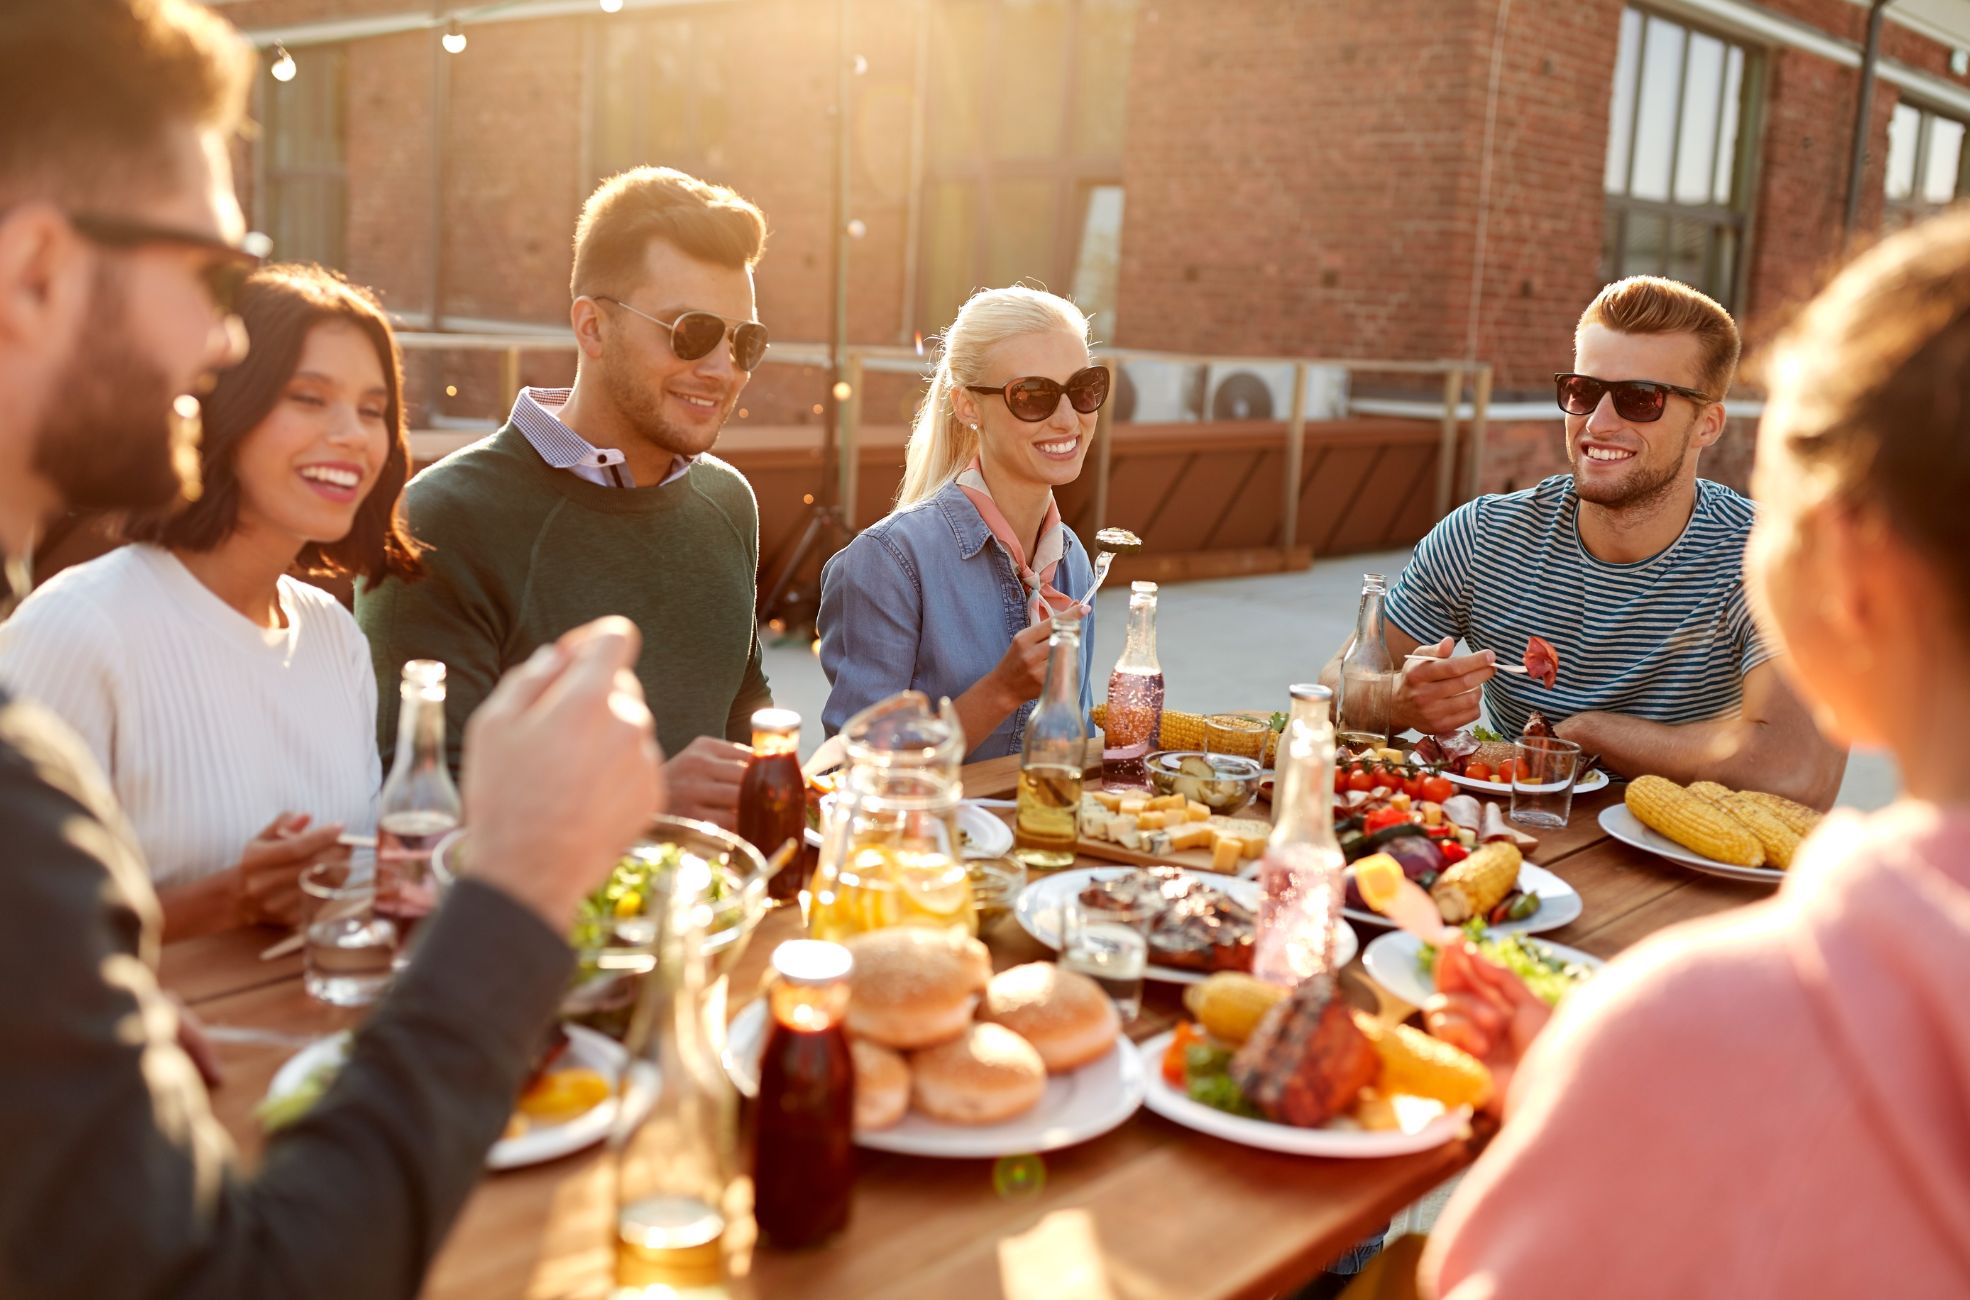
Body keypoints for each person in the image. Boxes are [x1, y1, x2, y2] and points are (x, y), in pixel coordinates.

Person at [0, 3, 662, 1295]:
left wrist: (94, 1028)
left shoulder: (327, 634)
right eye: (207, 271)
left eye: (368, 407)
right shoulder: (39, 712)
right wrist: (518, 891)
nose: (223, 337)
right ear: (33, 272)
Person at [1418, 212, 1970, 1297]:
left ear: (1845, 571)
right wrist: (1594, 1093)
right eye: (1583, 391)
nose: (1597, 419)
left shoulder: (1691, 1022)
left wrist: (1628, 1075)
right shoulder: (1490, 532)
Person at [0, 264, 421, 941]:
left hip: (312, 1038)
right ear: (227, 409)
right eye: (309, 398)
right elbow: (20, 946)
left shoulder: (335, 637)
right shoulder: (77, 629)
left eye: (373, 410)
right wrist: (227, 902)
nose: (353, 434)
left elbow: (357, 889)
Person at [1321, 276, 1844, 808]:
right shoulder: (1480, 538)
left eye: (1641, 399)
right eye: (1583, 391)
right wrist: (1396, 700)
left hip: (1688, 877)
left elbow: (1799, 772)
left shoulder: (1770, 558)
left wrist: (1592, 735)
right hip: (1514, 840)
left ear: (1708, 425)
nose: (1597, 422)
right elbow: (1333, 690)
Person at [356, 166, 771, 829]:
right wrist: (647, 802)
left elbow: (741, 709)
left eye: (744, 341)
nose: (723, 368)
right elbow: (421, 811)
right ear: (592, 327)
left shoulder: (729, 502)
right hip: (527, 930)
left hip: (705, 917)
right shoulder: (440, 519)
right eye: (690, 332)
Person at [817, 285, 1101, 760]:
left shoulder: (1073, 560)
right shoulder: (888, 561)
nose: (1068, 418)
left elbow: (1072, 748)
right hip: (937, 835)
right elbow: (854, 772)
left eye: (1083, 389)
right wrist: (1001, 692)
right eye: (1033, 396)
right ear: (968, 405)